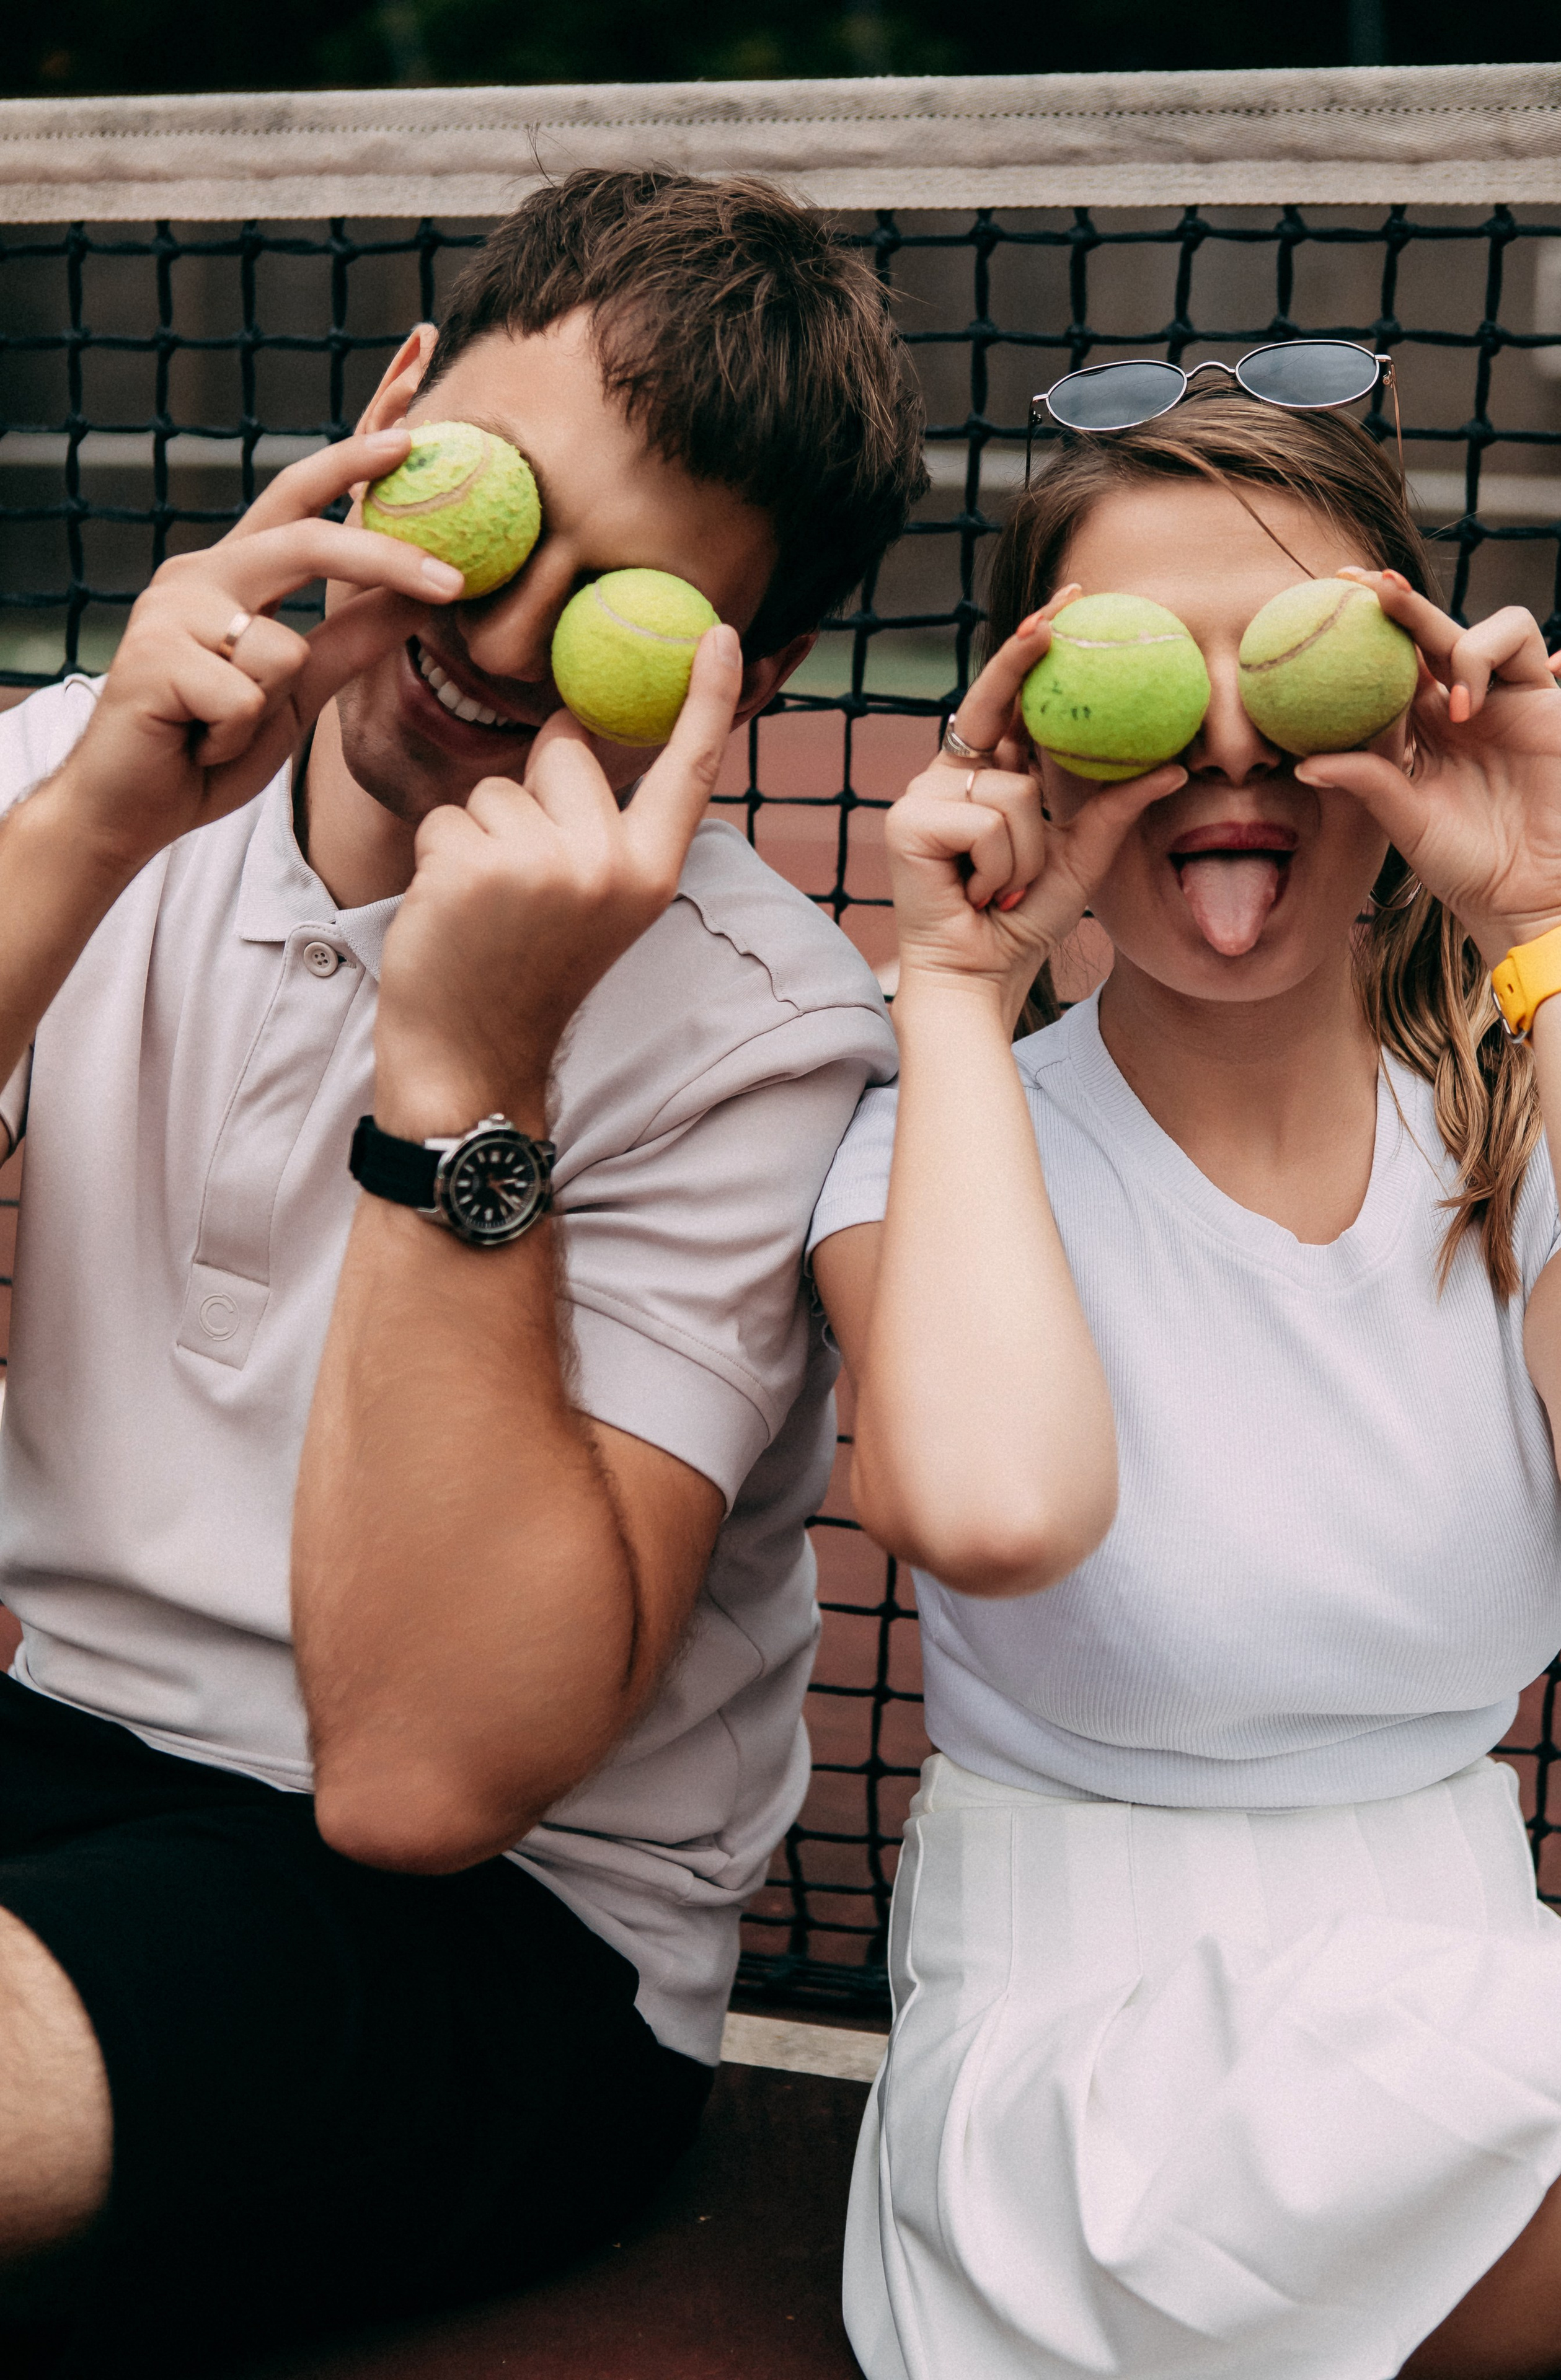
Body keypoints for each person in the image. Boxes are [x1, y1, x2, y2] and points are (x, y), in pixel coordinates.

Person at [0, 167, 921, 2376]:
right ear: (400, 396)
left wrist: (466, 1070)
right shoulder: (69, 772)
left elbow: (421, 1784)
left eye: (622, 613)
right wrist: (100, 826)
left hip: (496, 1932)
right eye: (493, 514)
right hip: (55, 1745)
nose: (503, 643)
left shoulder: (766, 1031)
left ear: (761, 679)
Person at [809, 384, 1561, 2380]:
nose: (1234, 743)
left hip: (1497, 2023)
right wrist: (958, 988)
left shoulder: (1520, 1138)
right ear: (1030, 738)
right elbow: (993, 1512)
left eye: (1297, 667)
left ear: (1416, 709)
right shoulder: (945, 1145)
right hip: (1101, 2108)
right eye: (1155, 681)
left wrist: (1553, 931)